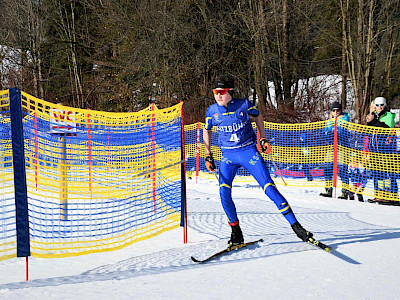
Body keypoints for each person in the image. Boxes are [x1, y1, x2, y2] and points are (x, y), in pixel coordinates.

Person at [203, 73, 314, 247]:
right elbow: (206, 129)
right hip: (228, 157)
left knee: (269, 188)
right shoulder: (212, 111)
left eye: (222, 91)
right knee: (223, 192)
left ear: (230, 91)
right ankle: (236, 233)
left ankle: (297, 228)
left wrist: (263, 139)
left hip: (248, 152)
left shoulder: (244, 105)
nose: (218, 95)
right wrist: (208, 154)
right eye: (215, 91)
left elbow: (258, 117)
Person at [365, 96, 397, 204]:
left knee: (387, 172)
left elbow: (385, 128)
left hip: (385, 149)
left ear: (385, 105)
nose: (379, 107)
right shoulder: (375, 116)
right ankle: (378, 195)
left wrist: (373, 121)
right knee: (377, 173)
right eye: (377, 105)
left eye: (381, 105)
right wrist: (370, 121)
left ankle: (390, 196)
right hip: (374, 149)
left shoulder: (389, 116)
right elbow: (370, 130)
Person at [320, 101, 351, 198]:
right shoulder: (330, 120)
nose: (336, 112)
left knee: (342, 169)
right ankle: (328, 189)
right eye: (334, 110)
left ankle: (345, 191)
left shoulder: (344, 118)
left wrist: (332, 130)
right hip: (331, 147)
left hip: (342, 147)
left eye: (338, 110)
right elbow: (324, 132)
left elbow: (341, 131)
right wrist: (327, 133)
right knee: (327, 167)